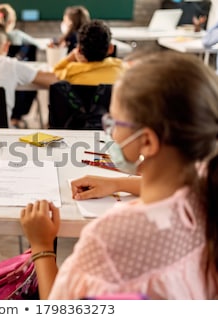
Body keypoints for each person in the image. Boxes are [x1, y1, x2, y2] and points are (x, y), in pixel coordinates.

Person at [20, 51, 218, 299]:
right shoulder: (205, 191)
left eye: (114, 122)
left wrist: (42, 246)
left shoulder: (108, 237)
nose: (110, 132)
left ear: (146, 141)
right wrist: (116, 183)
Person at [53, 19, 123, 85]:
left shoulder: (70, 73)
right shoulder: (120, 68)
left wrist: (72, 55)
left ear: (79, 50)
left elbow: (55, 73)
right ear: (111, 48)